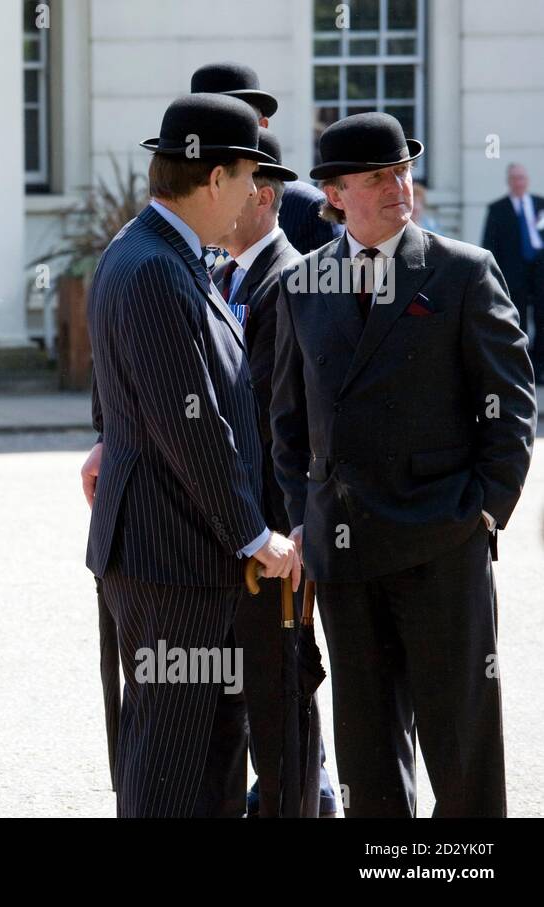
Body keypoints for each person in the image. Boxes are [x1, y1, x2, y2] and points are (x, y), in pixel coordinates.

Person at [272, 112, 536, 816]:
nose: (400, 186)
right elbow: (288, 423)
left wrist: (480, 512)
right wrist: (304, 519)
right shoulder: (302, 286)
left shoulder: (461, 272)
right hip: (345, 555)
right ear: (335, 194)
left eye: (404, 170)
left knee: (462, 741)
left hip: (441, 544)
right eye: (379, 176)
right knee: (367, 751)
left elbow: (511, 406)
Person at [85, 93, 299, 817]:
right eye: (247, 178)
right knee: (169, 772)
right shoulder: (153, 267)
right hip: (169, 558)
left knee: (206, 763)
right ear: (214, 180)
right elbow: (192, 424)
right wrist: (252, 531)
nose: (253, 196)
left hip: (178, 556)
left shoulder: (159, 254)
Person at [215, 128, 336, 817]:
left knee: (283, 717)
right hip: (232, 535)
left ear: (261, 196)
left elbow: (285, 418)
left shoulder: (297, 280)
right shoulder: (213, 272)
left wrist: (291, 527)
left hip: (272, 543)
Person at [191, 62, 343, 255]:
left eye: (234, 125)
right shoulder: (185, 207)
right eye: (208, 127)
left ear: (261, 126)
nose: (221, 141)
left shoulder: (306, 208)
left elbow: (334, 281)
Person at [481, 163, 544, 377]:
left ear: (527, 180)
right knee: (518, 318)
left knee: (542, 317)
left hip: (539, 270)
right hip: (512, 273)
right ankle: (521, 366)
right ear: (509, 181)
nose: (519, 182)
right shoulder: (498, 208)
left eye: (522, 178)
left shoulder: (540, 204)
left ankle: (540, 367)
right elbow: (489, 244)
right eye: (515, 178)